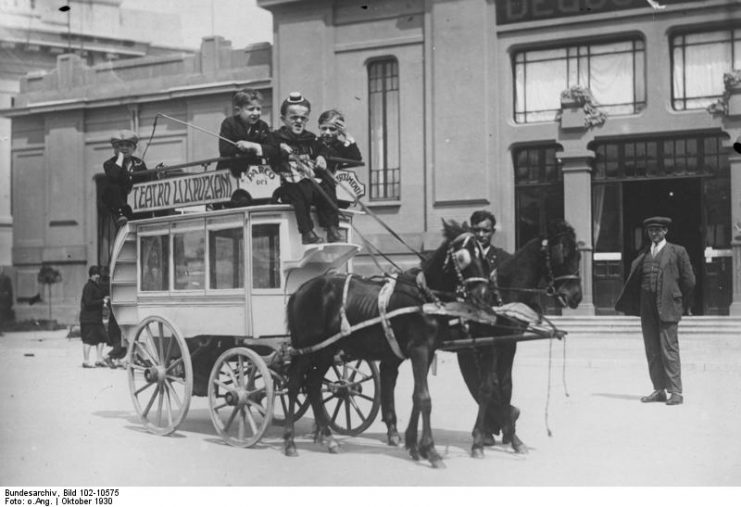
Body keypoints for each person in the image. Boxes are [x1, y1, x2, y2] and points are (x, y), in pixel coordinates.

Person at [456, 210, 523, 449]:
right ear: (471, 230)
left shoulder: (504, 259)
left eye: (486, 230)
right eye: (477, 230)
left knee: (503, 379)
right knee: (476, 377)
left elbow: (515, 292)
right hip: (472, 328)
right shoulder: (462, 258)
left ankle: (497, 428)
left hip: (501, 327)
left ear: (493, 232)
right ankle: (504, 419)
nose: (482, 234)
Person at [615, 216, 696, 406]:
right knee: (652, 349)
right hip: (647, 306)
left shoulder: (677, 251)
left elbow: (689, 281)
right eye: (651, 230)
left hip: (668, 305)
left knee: (669, 349)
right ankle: (659, 390)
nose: (654, 233)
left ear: (666, 231)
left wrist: (677, 299)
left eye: (658, 230)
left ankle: (676, 392)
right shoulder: (643, 253)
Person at [267, 92, 341, 244]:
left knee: (327, 184)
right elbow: (268, 150)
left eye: (303, 118)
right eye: (294, 117)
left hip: (308, 181)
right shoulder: (275, 137)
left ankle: (332, 228)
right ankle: (306, 232)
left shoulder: (310, 137)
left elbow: (322, 148)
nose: (299, 121)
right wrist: (279, 148)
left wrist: (320, 157)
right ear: (283, 119)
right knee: (300, 187)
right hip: (285, 184)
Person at [216, 88, 273, 178]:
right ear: (238, 110)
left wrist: (252, 145)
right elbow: (224, 149)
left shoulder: (263, 126)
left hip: (254, 175)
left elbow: (270, 147)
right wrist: (240, 148)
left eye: (258, 109)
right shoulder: (229, 123)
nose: (256, 113)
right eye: (251, 109)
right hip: (231, 174)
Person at [101, 130, 149, 226]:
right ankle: (120, 215)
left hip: (137, 205)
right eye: (120, 145)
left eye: (128, 145)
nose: (124, 148)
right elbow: (114, 176)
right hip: (120, 206)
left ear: (134, 148)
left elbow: (145, 180)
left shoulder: (139, 163)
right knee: (113, 184)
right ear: (115, 149)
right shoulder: (109, 163)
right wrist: (120, 159)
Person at [79, 265, 109, 368]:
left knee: (101, 338)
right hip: (88, 319)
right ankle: (86, 361)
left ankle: (99, 359)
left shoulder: (96, 286)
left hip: (96, 318)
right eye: (96, 274)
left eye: (98, 274)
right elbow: (88, 303)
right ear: (91, 275)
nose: (98, 276)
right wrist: (102, 301)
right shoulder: (88, 287)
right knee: (88, 339)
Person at [0, 267, 13, 335]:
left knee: (1, 315)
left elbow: (9, 291)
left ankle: (0, 330)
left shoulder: (6, 279)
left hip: (2, 301)